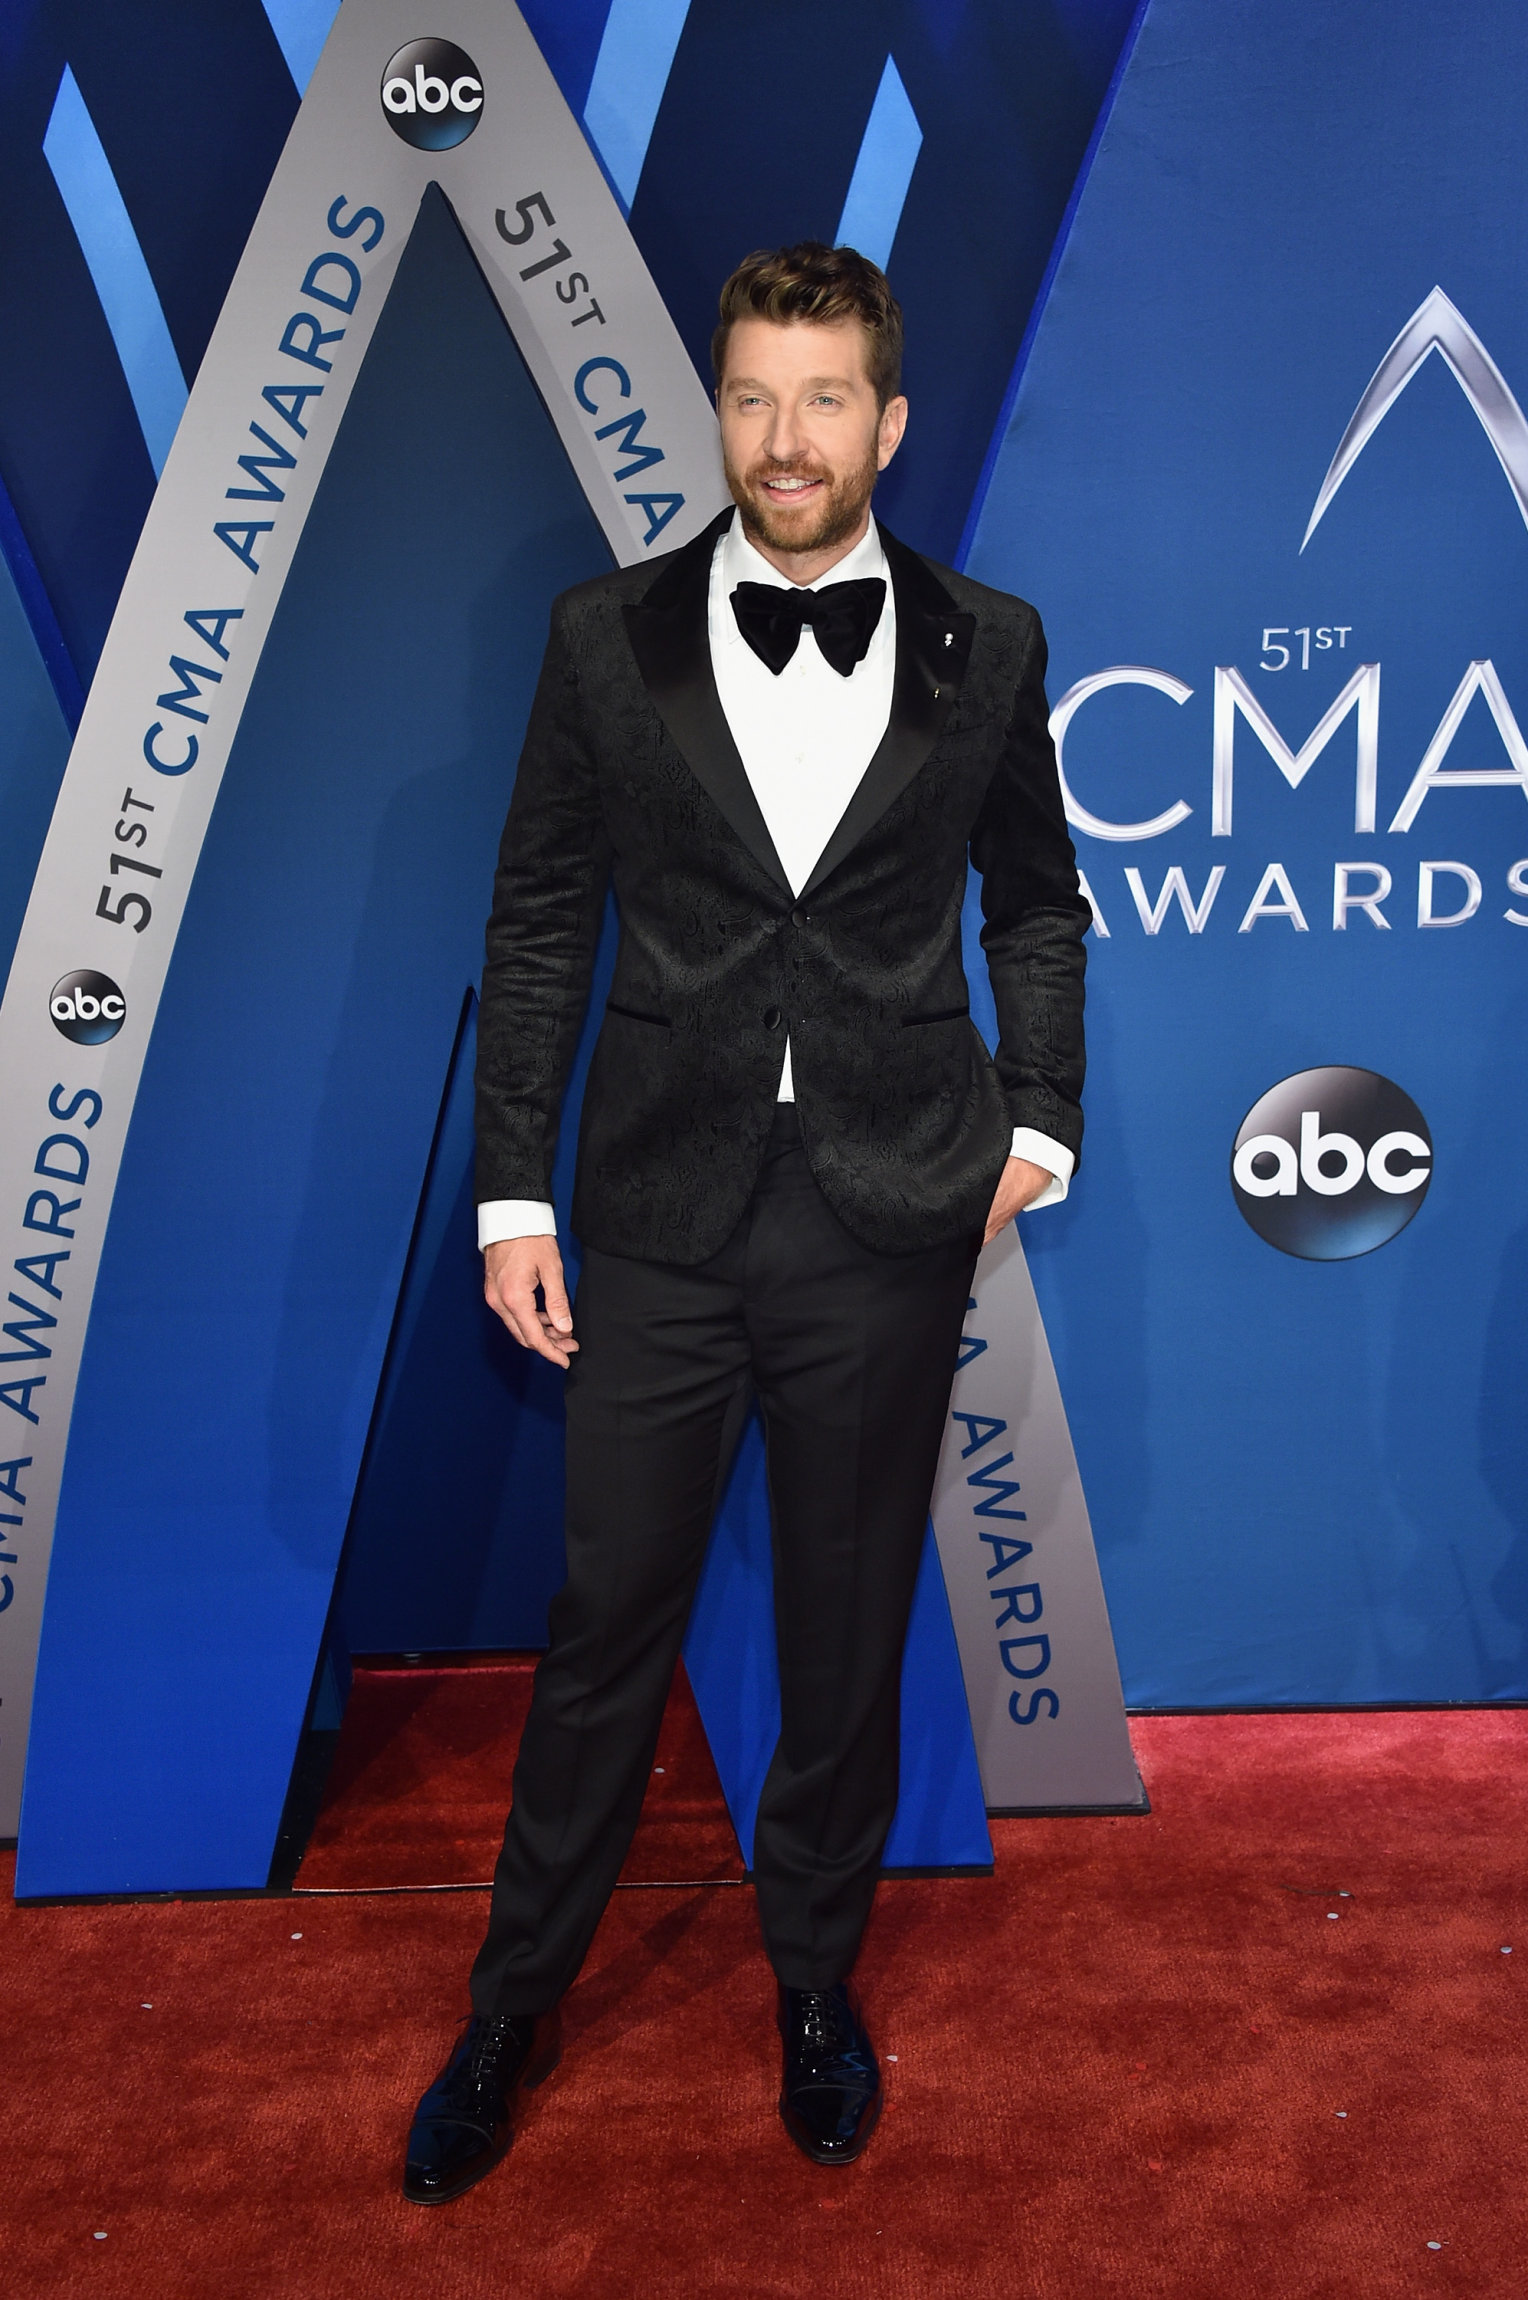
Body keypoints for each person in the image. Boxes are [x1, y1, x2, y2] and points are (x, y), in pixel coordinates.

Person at [402, 241, 1088, 2205]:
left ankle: (809, 1987)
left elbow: (1033, 899)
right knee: (601, 1625)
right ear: (717, 408)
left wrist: (1036, 1112)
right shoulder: (600, 639)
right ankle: (512, 1998)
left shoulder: (991, 644)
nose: (781, 442)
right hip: (660, 1219)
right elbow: (537, 916)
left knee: (842, 1634)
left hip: (885, 1220)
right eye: (749, 398)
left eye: (820, 403)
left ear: (886, 422)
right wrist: (513, 1191)